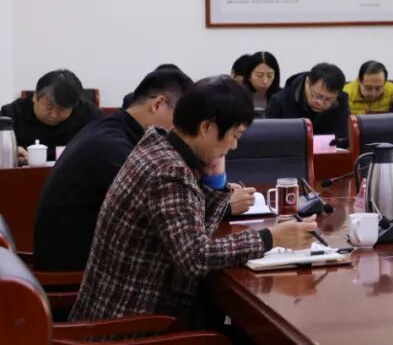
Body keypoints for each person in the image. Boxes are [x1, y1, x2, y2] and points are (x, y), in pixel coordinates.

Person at [69, 76, 315, 326]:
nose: (234, 145)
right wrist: (271, 238)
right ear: (207, 127)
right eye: (235, 135)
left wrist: (215, 181)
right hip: (130, 326)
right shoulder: (169, 172)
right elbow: (195, 257)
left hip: (127, 313)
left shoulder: (160, 147)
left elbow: (192, 224)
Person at [34, 67, 196, 271]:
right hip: (72, 268)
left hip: (75, 255)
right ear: (157, 104)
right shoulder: (112, 146)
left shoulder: (112, 128)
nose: (181, 129)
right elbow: (163, 210)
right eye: (181, 119)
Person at [1, 69, 101, 164]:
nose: (54, 115)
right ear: (35, 97)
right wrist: (9, 153)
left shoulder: (88, 114)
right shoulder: (10, 115)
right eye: (49, 107)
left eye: (62, 109)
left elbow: (103, 145)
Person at [266, 62, 350, 138]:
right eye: (317, 96)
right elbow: (270, 140)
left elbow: (344, 138)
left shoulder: (340, 101)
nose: (320, 103)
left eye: (328, 99)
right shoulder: (279, 101)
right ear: (307, 82)